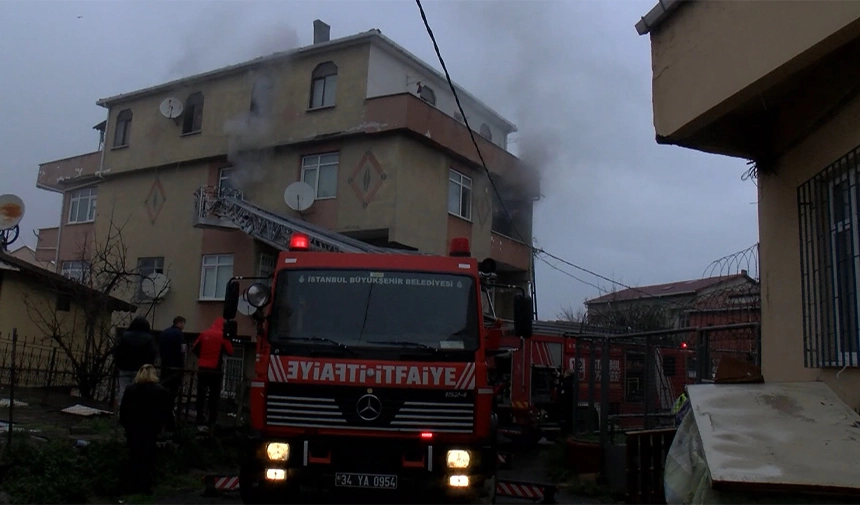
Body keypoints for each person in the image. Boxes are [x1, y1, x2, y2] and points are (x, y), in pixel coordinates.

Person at [119, 364, 174, 496]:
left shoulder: (130, 389)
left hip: (133, 429)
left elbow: (123, 410)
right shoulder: (159, 390)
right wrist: (165, 426)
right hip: (150, 429)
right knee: (147, 459)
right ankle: (145, 487)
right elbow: (166, 411)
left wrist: (126, 425)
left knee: (133, 457)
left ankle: (131, 486)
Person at [191, 317, 234, 429]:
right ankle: (212, 420)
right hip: (215, 370)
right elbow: (230, 352)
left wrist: (203, 357)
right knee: (214, 396)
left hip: (202, 368)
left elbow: (194, 348)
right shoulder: (223, 336)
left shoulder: (204, 333)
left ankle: (199, 417)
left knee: (201, 394)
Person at [113, 316, 157, 408]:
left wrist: (119, 364)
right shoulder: (149, 338)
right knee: (138, 391)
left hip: (124, 367)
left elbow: (118, 351)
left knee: (123, 389)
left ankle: (121, 410)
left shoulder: (125, 336)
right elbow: (152, 354)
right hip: (141, 370)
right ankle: (134, 411)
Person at [159, 316, 187, 414]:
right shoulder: (180, 334)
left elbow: (160, 347)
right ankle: (170, 409)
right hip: (176, 366)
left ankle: (161, 407)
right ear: (180, 323)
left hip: (165, 364)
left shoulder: (165, 332)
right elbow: (183, 350)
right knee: (173, 389)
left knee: (164, 386)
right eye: (183, 324)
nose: (183, 326)